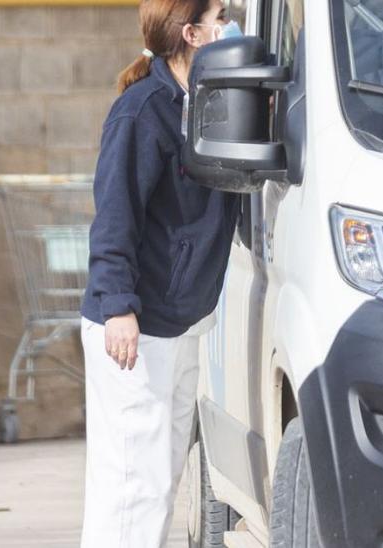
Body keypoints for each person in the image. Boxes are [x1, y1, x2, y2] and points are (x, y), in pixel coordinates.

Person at [78, 0, 241, 546]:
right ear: (193, 34)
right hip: (135, 326)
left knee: (161, 477)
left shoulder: (205, 102)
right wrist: (118, 304)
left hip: (182, 320)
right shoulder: (142, 111)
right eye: (221, 16)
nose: (231, 24)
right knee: (132, 484)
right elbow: (115, 215)